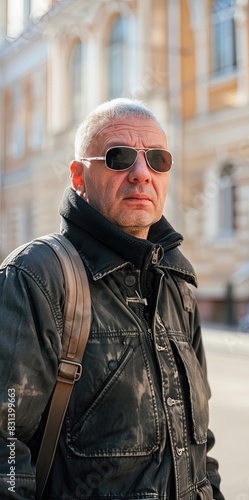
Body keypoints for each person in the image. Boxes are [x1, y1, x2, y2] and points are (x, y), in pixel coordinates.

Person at [0, 98, 224, 499]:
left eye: (157, 159)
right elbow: (5, 447)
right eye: (119, 157)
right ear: (78, 176)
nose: (142, 173)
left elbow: (200, 447)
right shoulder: (38, 276)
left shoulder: (176, 284)